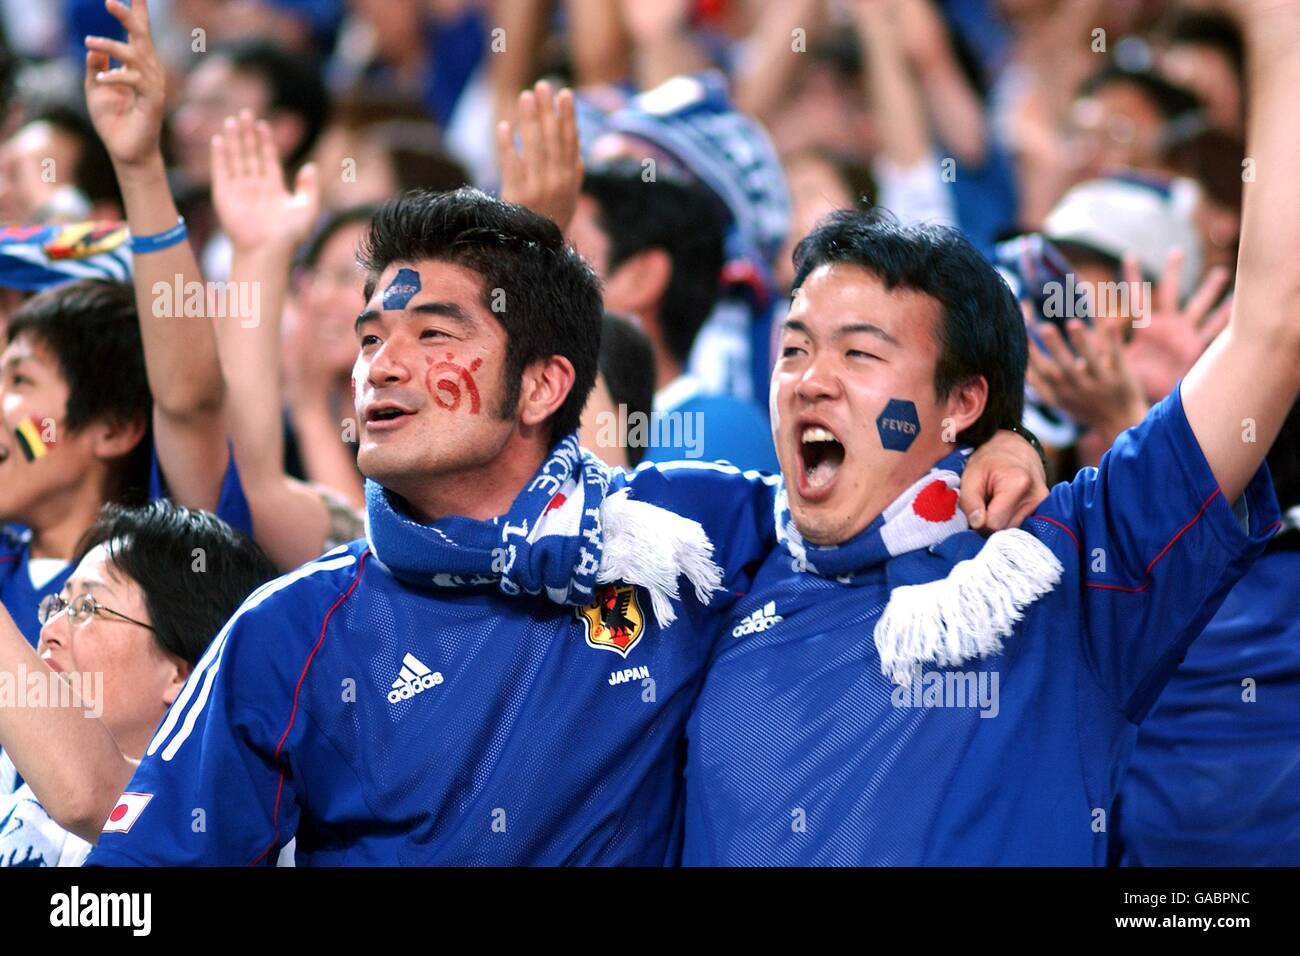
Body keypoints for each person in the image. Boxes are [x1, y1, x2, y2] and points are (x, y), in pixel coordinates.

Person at [85, 184, 1045, 867]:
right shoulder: (292, 630)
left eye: (434, 336)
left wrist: (1001, 447)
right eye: (372, 337)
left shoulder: (690, 534)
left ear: (544, 385)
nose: (380, 364)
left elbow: (867, 502)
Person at [681, 0, 1298, 866]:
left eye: (860, 354)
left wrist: (1278, 29)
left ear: (962, 402)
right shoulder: (717, 554)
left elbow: (1274, 330)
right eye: (793, 348)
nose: (810, 379)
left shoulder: (1062, 568)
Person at [0, 500, 276, 866]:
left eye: (86, 608)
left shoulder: (217, 805)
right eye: (56, 606)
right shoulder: (12, 774)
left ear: (182, 675)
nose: (49, 631)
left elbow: (87, 795)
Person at [570, 159, 777, 471]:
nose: (544, 275)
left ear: (642, 278)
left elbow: (606, 510)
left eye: (569, 252)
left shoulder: (720, 429)